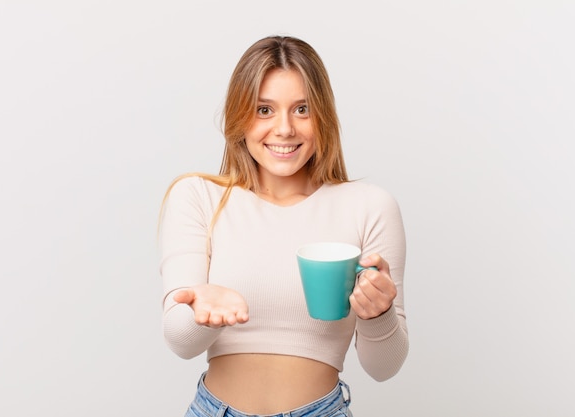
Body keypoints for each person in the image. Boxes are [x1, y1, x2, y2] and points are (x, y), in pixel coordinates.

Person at [158, 35, 408, 417]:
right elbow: (179, 340)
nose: (285, 129)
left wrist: (379, 314)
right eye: (264, 110)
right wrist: (202, 314)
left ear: (323, 116)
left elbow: (384, 367)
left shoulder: (370, 207)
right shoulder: (197, 197)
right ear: (239, 116)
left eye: (302, 109)